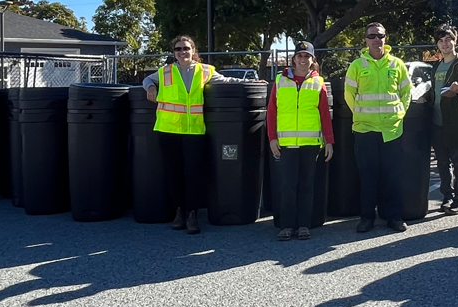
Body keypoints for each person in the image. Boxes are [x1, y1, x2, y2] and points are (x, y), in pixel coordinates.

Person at [143, 35, 264, 234]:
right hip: (168, 129)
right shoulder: (165, 72)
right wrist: (150, 87)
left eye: (186, 48)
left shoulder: (204, 70)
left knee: (193, 175)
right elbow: (148, 79)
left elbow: (225, 80)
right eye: (178, 49)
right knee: (173, 175)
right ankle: (179, 212)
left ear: (193, 50)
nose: (182, 52)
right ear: (174, 53)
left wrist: (251, 81)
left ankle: (192, 214)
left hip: (194, 130)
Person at [344, 22, 412, 233]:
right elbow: (349, 96)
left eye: (380, 36)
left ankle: (394, 217)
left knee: (392, 176)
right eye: (372, 36)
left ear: (385, 38)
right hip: (365, 130)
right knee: (368, 177)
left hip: (392, 130)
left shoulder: (397, 64)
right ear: (365, 40)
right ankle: (367, 218)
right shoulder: (356, 65)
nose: (376, 40)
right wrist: (362, 117)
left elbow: (406, 93)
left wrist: (400, 114)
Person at [267, 41, 334, 241]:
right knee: (287, 185)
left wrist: (329, 141)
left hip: (310, 143)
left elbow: (324, 114)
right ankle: (287, 226)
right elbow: (272, 112)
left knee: (306, 185)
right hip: (286, 144)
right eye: (300, 56)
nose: (303, 60)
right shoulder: (280, 80)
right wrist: (272, 138)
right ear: (294, 59)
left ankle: (304, 225)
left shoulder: (318, 82)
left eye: (307, 56)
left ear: (313, 60)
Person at [427, 24, 458, 215]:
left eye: (448, 39)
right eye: (441, 41)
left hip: (457, 122)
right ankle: (447, 197)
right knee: (442, 163)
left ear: (455, 41)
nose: (445, 43)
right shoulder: (436, 66)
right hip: (437, 122)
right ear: (437, 45)